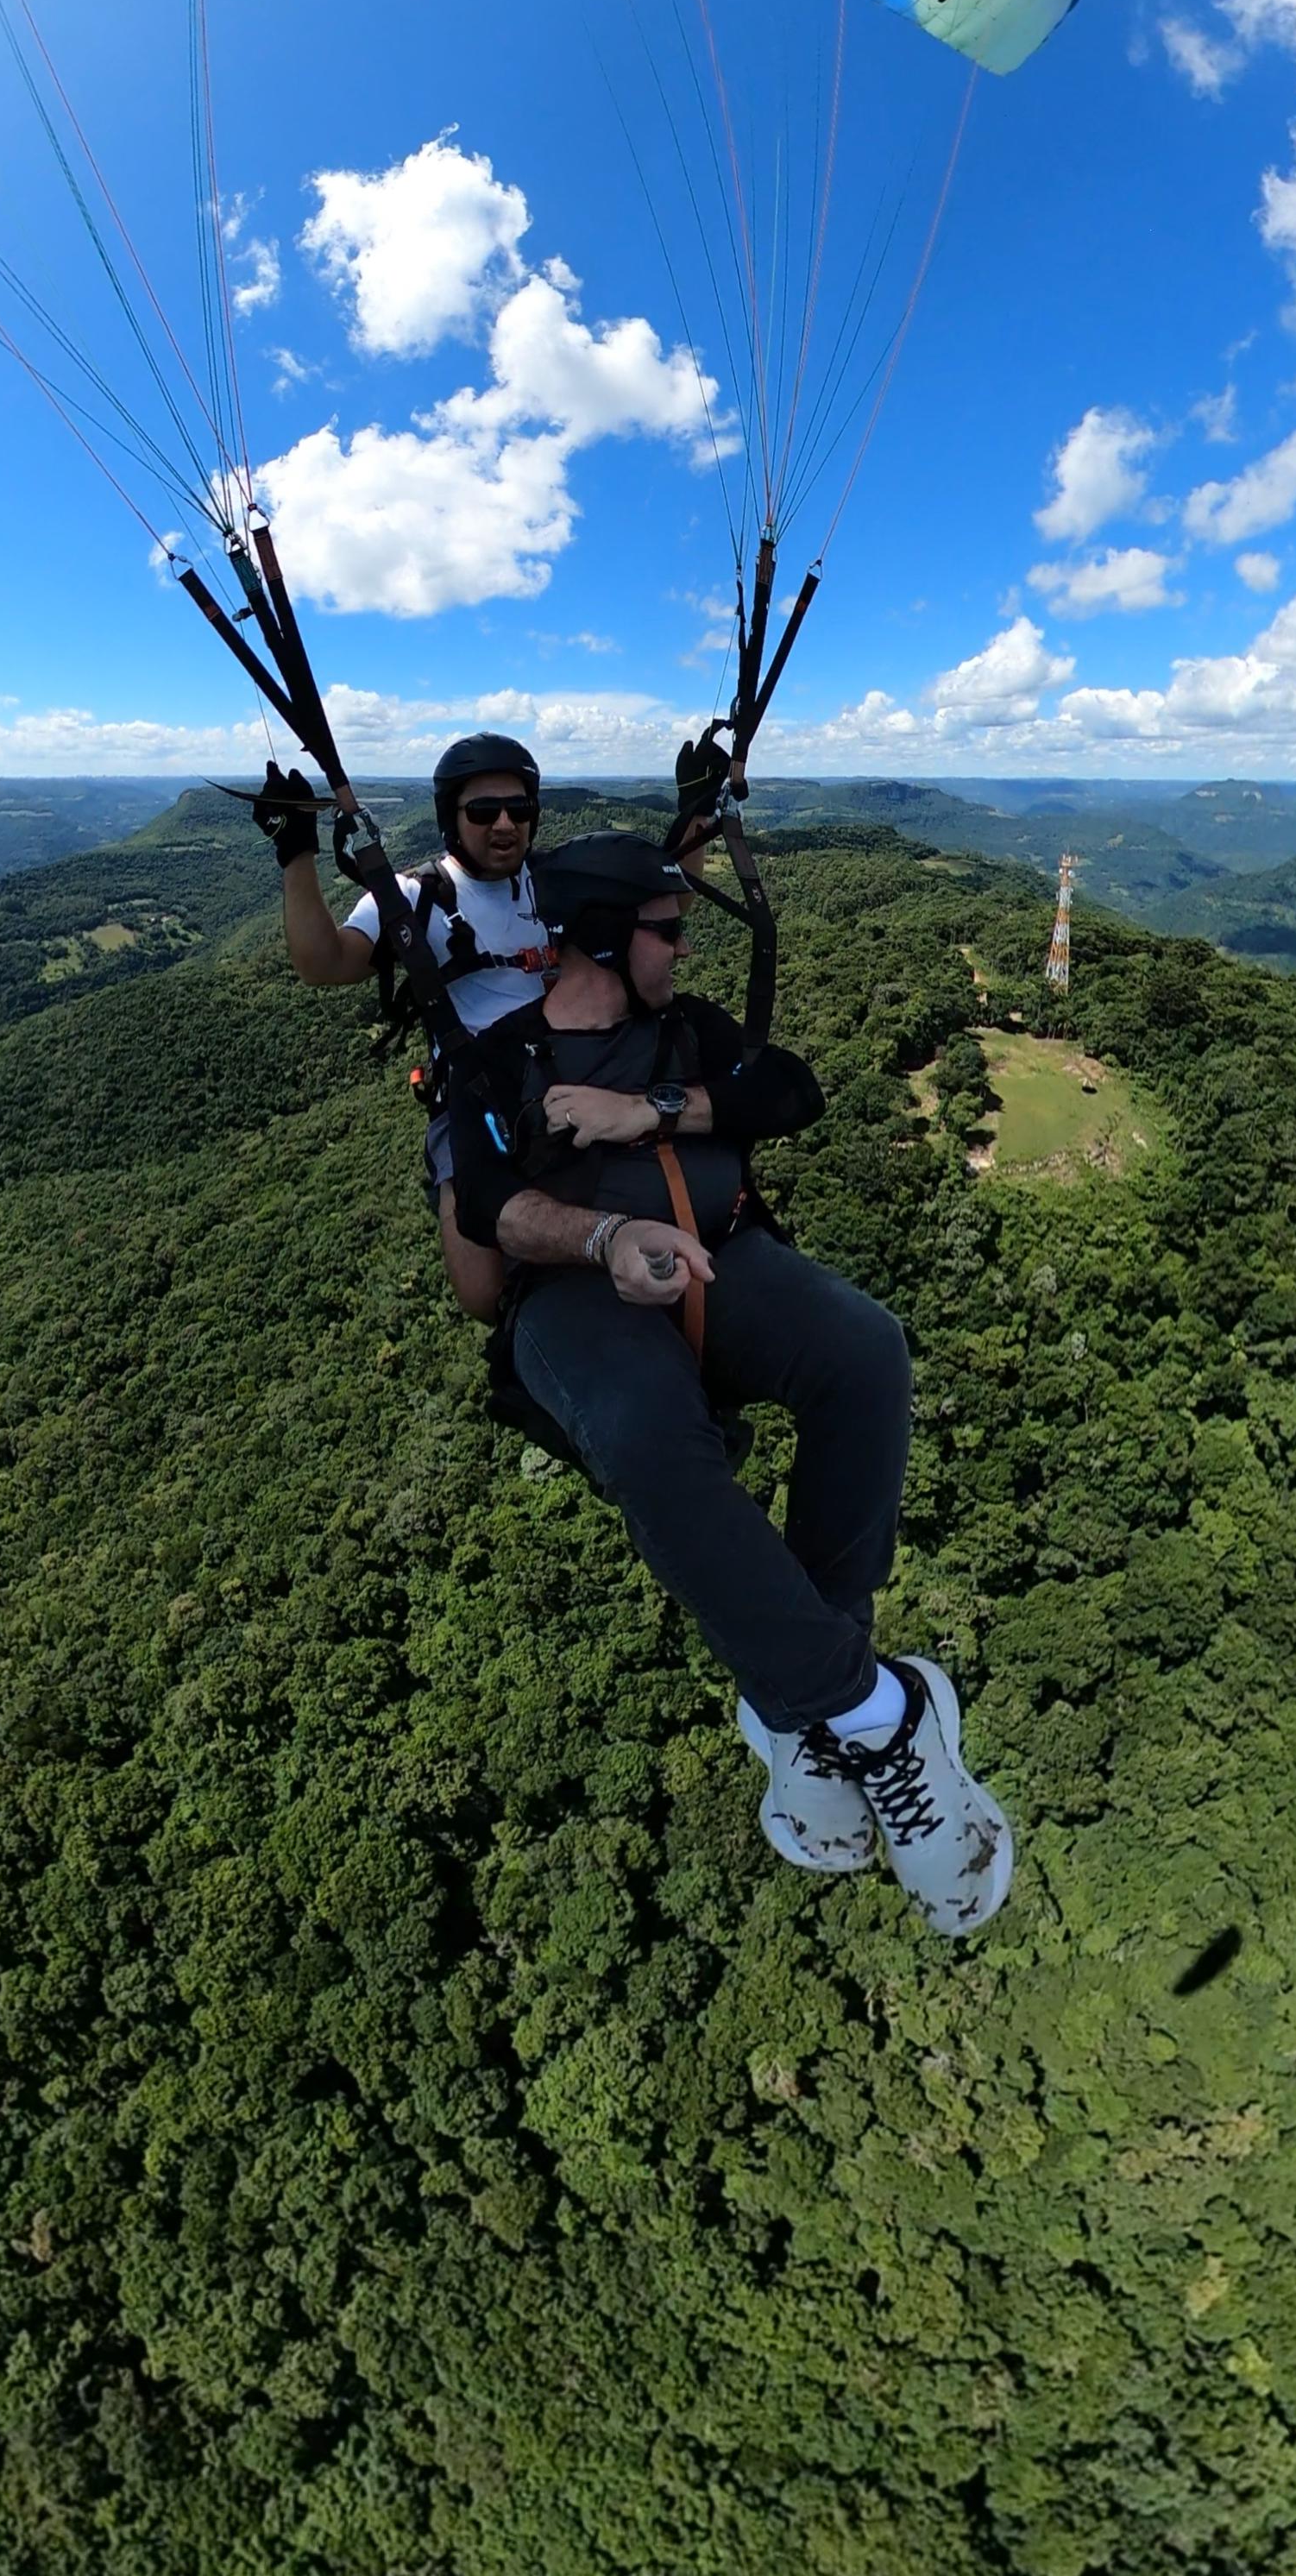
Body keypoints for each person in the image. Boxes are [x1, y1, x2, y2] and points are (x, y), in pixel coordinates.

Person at [445, 829, 1014, 1942]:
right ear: (606, 936)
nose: (684, 944)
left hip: (724, 1251)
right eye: (668, 928)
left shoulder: (687, 1034)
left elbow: (788, 1093)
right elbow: (488, 1207)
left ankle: (794, 1707)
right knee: (648, 1435)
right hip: (576, 1297)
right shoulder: (491, 1060)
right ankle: (879, 1712)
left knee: (865, 1351)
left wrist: (651, 1110)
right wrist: (605, 1232)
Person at [254, 736, 556, 1319]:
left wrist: (701, 814)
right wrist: (296, 855)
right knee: (484, 1294)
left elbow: (666, 912)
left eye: (519, 811)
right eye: (483, 811)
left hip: (568, 1078)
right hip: (477, 1101)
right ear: (451, 818)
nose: (504, 825)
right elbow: (327, 964)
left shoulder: (556, 882)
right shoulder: (415, 897)